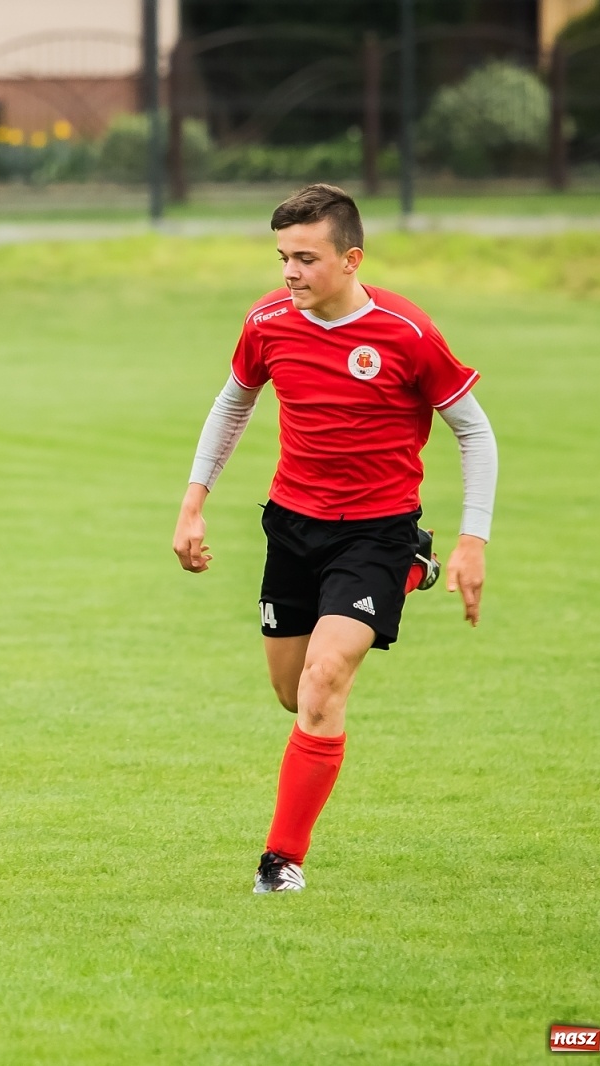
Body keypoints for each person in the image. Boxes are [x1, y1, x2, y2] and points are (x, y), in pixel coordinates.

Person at [172, 183, 497, 893]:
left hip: (376, 533)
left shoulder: (406, 333)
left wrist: (474, 539)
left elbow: (473, 430)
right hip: (292, 527)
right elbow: (232, 408)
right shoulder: (267, 322)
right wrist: (193, 504)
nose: (290, 273)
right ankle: (417, 568)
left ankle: (280, 862)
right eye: (283, 257)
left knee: (324, 683)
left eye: (306, 259)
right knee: (293, 695)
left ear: (351, 259)